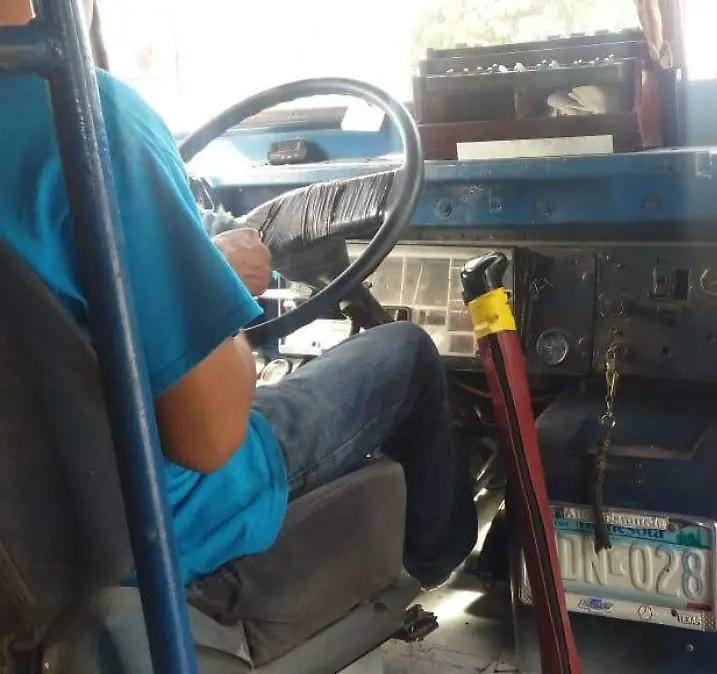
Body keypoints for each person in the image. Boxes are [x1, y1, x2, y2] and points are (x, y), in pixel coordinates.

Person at [0, 0, 476, 589]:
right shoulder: (85, 123)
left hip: (29, 537)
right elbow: (209, 438)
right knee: (407, 354)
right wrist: (220, 282)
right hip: (154, 519)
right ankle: (440, 574)